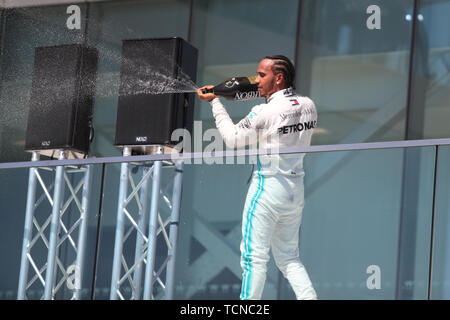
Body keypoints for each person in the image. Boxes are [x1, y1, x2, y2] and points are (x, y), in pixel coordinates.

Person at [197, 55, 318, 300]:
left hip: (267, 188)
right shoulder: (308, 105)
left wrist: (215, 102)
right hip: (295, 191)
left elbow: (232, 139)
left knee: (253, 259)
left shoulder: (263, 111)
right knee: (289, 259)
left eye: (262, 75)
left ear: (279, 77)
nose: (256, 80)